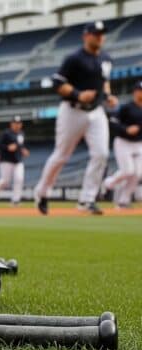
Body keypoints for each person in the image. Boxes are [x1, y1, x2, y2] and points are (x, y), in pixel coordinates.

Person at [34, 21, 117, 215]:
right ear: (86, 36)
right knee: (61, 155)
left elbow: (104, 82)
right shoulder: (74, 58)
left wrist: (108, 96)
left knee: (101, 153)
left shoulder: (106, 58)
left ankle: (87, 200)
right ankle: (42, 193)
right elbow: (57, 83)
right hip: (72, 110)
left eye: (102, 34)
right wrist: (78, 94)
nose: (100, 37)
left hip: (96, 111)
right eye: (96, 33)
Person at [102, 80, 142, 209]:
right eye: (140, 90)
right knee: (128, 171)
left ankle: (123, 201)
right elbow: (113, 122)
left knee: (137, 174)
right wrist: (126, 129)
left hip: (139, 143)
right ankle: (108, 183)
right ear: (135, 92)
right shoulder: (127, 107)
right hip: (123, 142)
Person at [0, 116, 30, 205]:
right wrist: (7, 147)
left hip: (18, 160)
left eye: (19, 123)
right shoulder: (6, 133)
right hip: (6, 160)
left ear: (21, 124)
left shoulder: (21, 133)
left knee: (19, 179)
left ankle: (16, 200)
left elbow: (20, 145)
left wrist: (23, 150)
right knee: (5, 181)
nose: (17, 125)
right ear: (11, 124)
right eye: (15, 123)